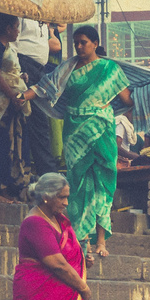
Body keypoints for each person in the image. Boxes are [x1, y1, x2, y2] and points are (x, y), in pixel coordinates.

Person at [56, 25, 131, 259]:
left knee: (103, 183)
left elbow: (128, 99)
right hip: (75, 133)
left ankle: (100, 241)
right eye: (76, 42)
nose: (79, 46)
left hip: (102, 130)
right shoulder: (67, 69)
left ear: (95, 43)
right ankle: (82, 241)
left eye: (84, 42)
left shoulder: (110, 68)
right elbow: (46, 89)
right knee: (77, 185)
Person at [0, 14, 37, 203]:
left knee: (10, 146)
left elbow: (8, 71)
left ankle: (4, 189)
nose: (19, 31)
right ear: (8, 29)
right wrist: (12, 95)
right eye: (17, 27)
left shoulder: (7, 47)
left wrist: (21, 78)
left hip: (9, 104)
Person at [16, 20, 60, 176]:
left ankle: (46, 173)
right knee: (35, 121)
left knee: (39, 122)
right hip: (24, 65)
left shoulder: (42, 18)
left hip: (39, 68)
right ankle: (47, 174)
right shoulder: (23, 13)